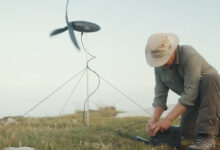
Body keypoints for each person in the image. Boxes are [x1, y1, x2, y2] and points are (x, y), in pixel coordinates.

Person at [145, 33, 220, 150]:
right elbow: (160, 96)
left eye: (163, 58)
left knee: (211, 78)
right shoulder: (159, 67)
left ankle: (206, 137)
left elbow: (191, 92)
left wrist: (168, 119)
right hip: (193, 103)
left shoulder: (189, 54)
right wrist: (154, 121)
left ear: (172, 50)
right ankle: (212, 128)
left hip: (213, 100)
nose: (161, 63)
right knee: (187, 133)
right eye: (158, 61)